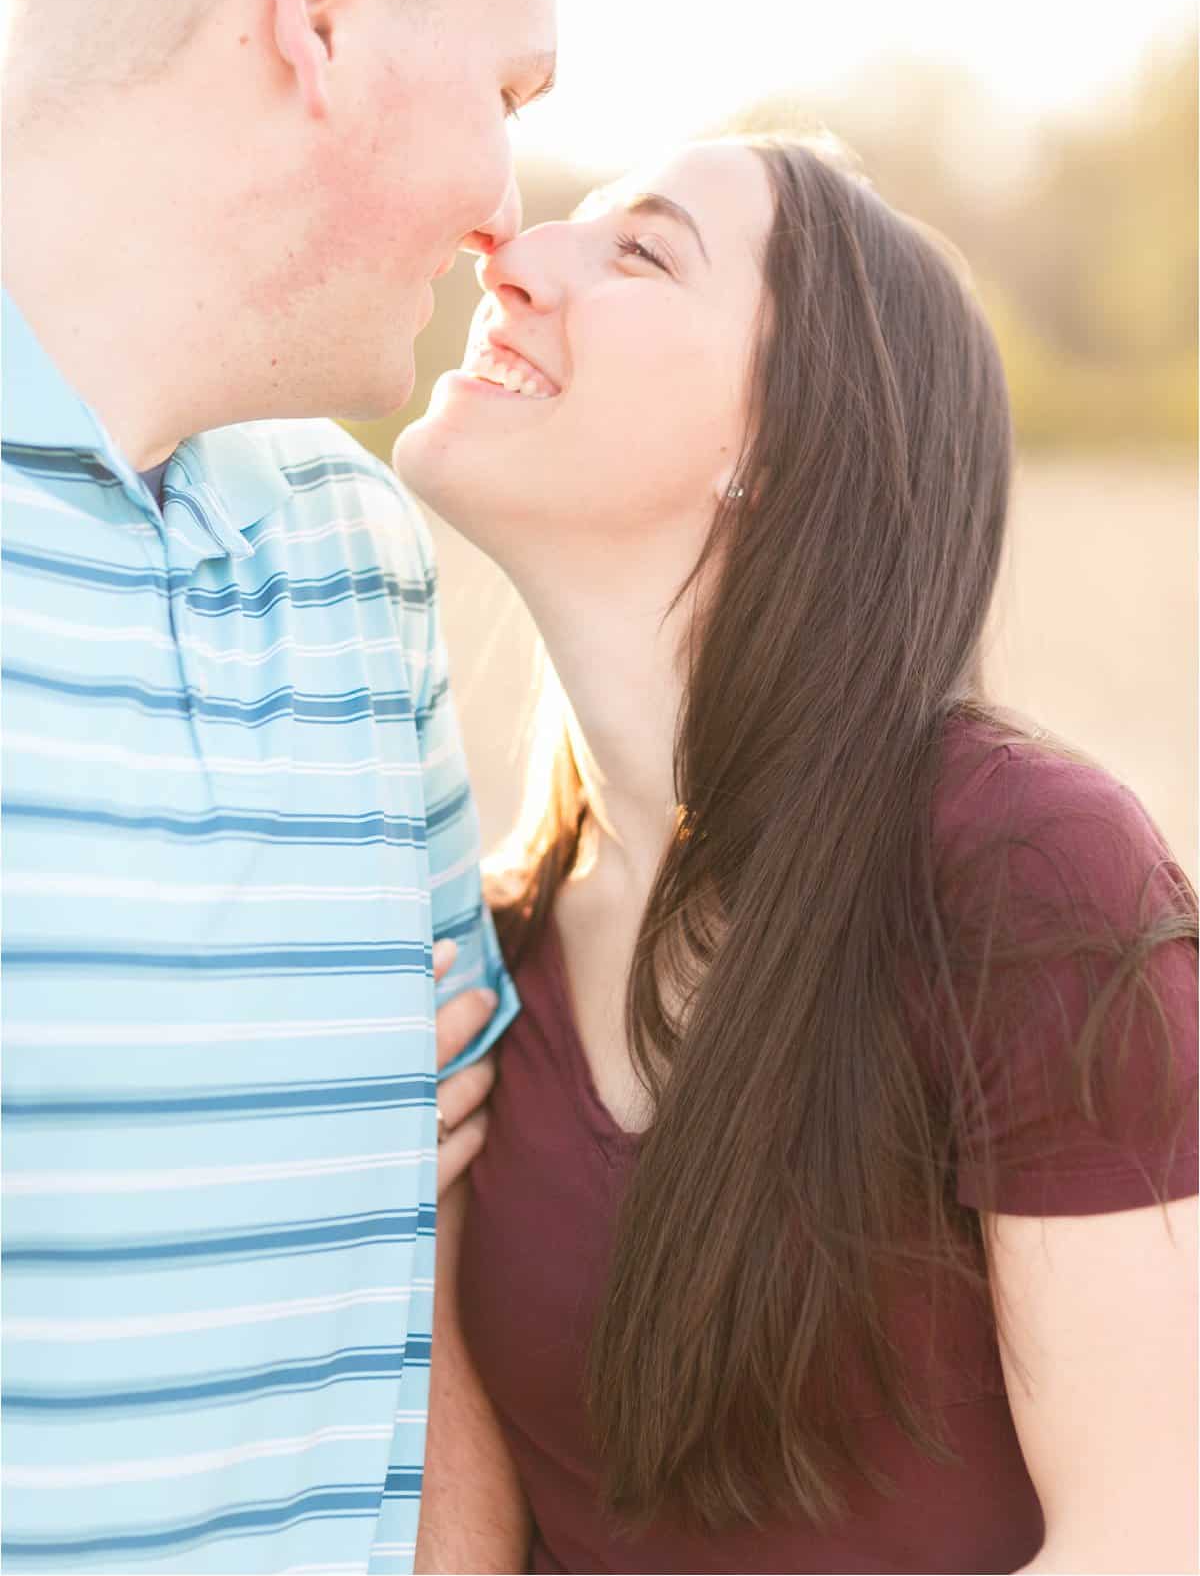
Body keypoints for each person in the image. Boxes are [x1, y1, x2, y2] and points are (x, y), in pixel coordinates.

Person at [394, 134, 1199, 1575]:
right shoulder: (486, 944)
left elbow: (1149, 1531)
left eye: (639, 251)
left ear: (782, 440)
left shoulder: (1023, 877)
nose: (507, 253)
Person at [1, 0, 555, 1570]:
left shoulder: (355, 550)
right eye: (511, 96)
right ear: (321, 14)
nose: (511, 211)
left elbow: (421, 1267)